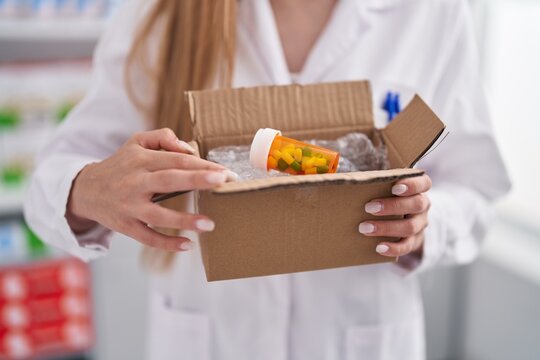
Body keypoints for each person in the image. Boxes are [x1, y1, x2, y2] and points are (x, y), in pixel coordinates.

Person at [24, 0, 511, 359]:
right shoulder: (164, 11)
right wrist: (88, 188)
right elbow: (50, 176)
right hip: (212, 336)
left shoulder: (432, 13)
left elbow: (479, 188)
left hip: (360, 335)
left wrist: (426, 222)